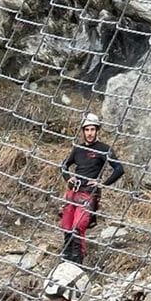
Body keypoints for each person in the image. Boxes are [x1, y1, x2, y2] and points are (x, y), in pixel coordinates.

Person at [59, 113, 123, 265]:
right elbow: (64, 165)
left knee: (78, 227)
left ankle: (77, 261)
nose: (89, 133)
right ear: (83, 131)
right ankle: (66, 259)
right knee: (67, 226)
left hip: (88, 194)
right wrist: (69, 178)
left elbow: (119, 168)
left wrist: (102, 183)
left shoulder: (104, 149)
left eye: (92, 129)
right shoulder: (78, 149)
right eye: (87, 129)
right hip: (73, 192)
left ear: (97, 130)